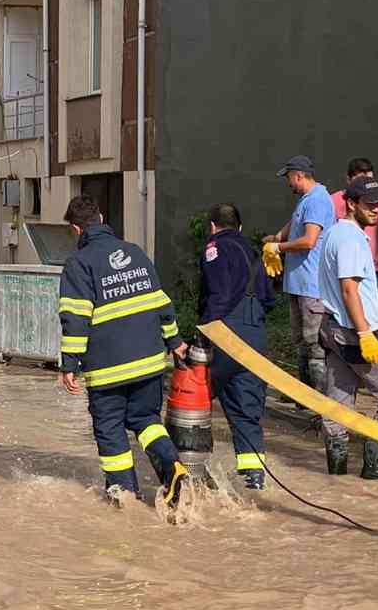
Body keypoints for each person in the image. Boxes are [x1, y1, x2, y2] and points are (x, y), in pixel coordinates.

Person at [57, 195, 191, 505]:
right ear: (101, 218)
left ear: (77, 230)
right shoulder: (135, 253)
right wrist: (174, 342)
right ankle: (173, 468)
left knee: (110, 430)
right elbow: (161, 305)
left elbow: (75, 318)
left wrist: (69, 364)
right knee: (146, 420)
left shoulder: (79, 263)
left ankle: (125, 499)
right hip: (148, 362)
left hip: (108, 370)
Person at [316, 176, 378, 481]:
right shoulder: (351, 239)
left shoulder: (333, 234)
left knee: (338, 400)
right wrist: (365, 333)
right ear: (351, 204)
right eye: (369, 205)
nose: (376, 211)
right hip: (356, 334)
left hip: (333, 331)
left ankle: (337, 472)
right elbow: (349, 290)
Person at [197, 203, 276, 490]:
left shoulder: (214, 247)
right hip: (254, 336)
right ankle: (253, 482)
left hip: (224, 334)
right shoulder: (255, 254)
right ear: (240, 227)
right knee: (247, 412)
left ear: (213, 227)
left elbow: (218, 293)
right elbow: (268, 299)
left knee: (193, 401)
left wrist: (203, 332)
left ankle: (189, 473)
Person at [262, 155, 336, 393]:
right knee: (301, 343)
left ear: (299, 175)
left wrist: (279, 248)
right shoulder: (307, 200)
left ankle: (322, 402)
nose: (288, 183)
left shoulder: (317, 200)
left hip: (312, 286)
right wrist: (275, 238)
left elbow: (309, 240)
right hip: (299, 284)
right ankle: (305, 395)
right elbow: (294, 222)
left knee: (315, 344)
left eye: (289, 178)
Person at [328, 157, 378, 285]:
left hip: (374, 268)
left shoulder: (376, 203)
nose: (375, 209)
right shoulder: (332, 201)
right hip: (346, 270)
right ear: (348, 179)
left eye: (370, 180)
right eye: (361, 180)